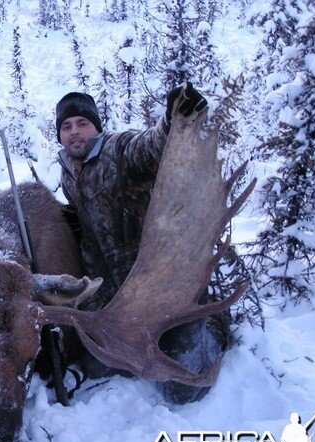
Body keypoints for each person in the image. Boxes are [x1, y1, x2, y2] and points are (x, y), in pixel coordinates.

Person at [55, 83, 227, 404]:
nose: (74, 132)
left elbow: (150, 147)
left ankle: (214, 321)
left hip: (163, 290)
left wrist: (173, 121)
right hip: (117, 300)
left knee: (185, 388)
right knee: (97, 363)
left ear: (96, 127)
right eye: (66, 126)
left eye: (82, 123)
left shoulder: (118, 151)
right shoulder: (69, 176)